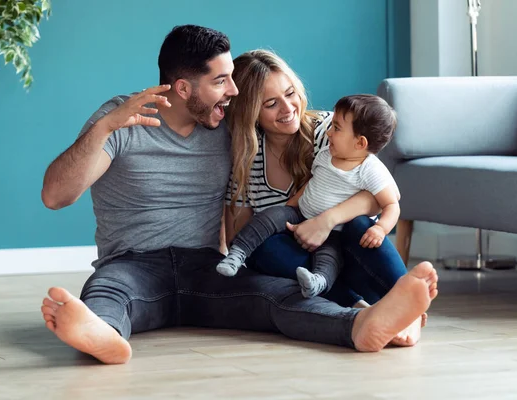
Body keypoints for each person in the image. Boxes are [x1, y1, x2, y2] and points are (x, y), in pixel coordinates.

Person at [39, 25, 438, 365]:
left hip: (205, 267)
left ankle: (358, 326)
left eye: (231, 79)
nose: (232, 91)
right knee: (107, 290)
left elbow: (333, 149)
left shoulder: (228, 126)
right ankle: (105, 334)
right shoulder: (124, 118)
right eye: (220, 81)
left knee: (276, 295)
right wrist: (105, 128)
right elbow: (55, 196)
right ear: (182, 88)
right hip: (133, 264)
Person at [223, 49, 430, 333]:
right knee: (261, 248)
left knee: (360, 226)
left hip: (351, 251)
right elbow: (239, 232)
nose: (288, 108)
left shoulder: (331, 131)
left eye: (290, 93)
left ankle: (408, 310)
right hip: (303, 265)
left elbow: (377, 197)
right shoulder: (248, 156)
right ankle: (362, 313)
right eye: (271, 103)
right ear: (249, 112)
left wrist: (325, 221)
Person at [218, 93, 400, 301]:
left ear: (360, 143)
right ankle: (237, 254)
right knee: (267, 219)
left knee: (329, 259)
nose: (329, 132)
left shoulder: (369, 169)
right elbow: (312, 183)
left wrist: (381, 228)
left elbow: (392, 203)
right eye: (271, 103)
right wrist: (290, 206)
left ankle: (318, 283)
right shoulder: (327, 153)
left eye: (337, 128)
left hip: (334, 233)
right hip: (299, 214)